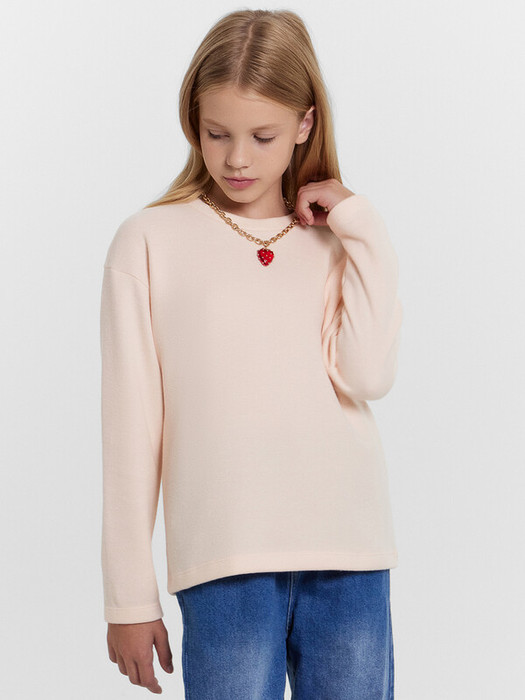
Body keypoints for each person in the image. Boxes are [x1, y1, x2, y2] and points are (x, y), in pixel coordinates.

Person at [100, 8, 403, 699]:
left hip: (348, 550)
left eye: (262, 136)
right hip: (224, 560)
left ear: (304, 124)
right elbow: (130, 430)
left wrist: (363, 225)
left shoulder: (337, 237)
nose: (237, 159)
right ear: (193, 123)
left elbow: (367, 375)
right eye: (217, 133)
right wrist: (128, 597)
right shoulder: (148, 241)